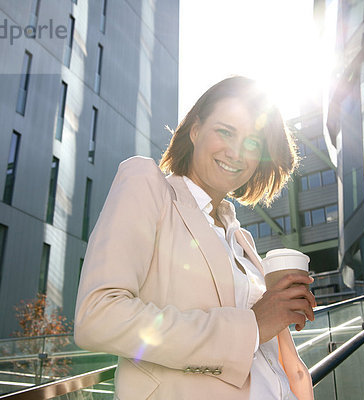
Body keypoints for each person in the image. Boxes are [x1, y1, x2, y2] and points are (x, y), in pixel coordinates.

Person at [74, 76, 316, 399]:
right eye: (225, 132)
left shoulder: (240, 236)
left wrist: (282, 308)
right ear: (195, 129)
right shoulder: (147, 186)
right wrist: (252, 326)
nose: (236, 152)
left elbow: (265, 352)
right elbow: (97, 316)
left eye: (252, 144)